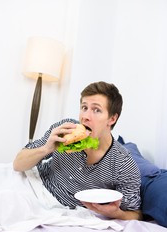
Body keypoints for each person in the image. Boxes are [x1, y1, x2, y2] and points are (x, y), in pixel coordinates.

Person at [13, 81, 142, 221]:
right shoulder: (65, 130)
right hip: (35, 187)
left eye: (96, 110)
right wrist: (47, 148)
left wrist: (115, 213)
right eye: (84, 107)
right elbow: (17, 165)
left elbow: (135, 214)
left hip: (69, 212)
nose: (85, 116)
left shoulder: (123, 163)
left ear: (112, 118)